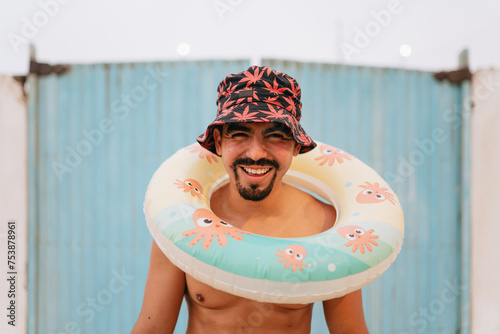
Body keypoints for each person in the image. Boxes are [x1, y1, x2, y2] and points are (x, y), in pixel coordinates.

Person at [132, 66, 369, 333]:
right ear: (219, 143)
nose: (256, 154)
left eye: (276, 135)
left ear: (296, 146)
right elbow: (152, 329)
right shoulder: (184, 223)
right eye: (240, 134)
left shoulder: (329, 227)